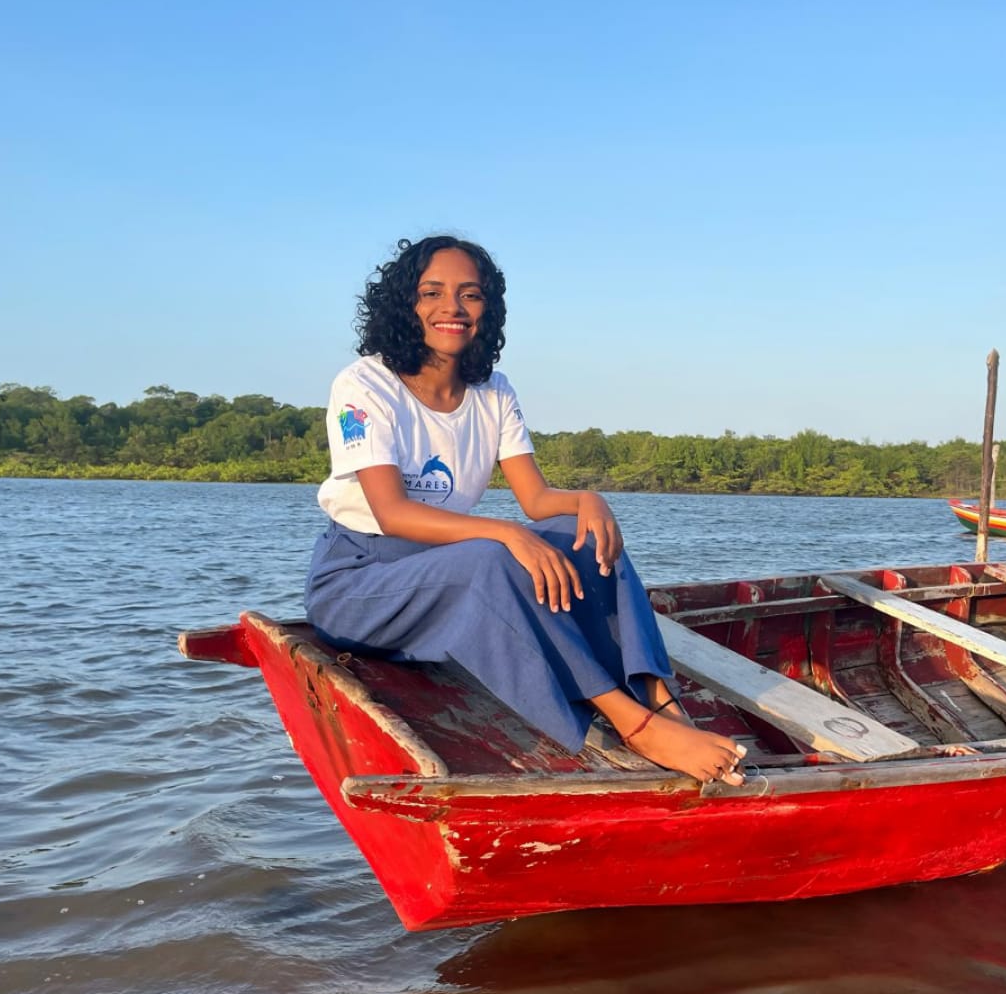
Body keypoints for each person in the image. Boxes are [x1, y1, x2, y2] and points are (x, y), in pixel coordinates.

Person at [304, 235, 746, 786]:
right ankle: (630, 722)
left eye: (470, 294)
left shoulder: (493, 391)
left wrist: (590, 501)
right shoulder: (365, 385)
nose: (452, 308)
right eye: (432, 292)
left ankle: (661, 701)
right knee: (492, 557)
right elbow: (391, 514)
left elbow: (537, 500)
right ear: (404, 302)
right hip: (363, 581)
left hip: (448, 562)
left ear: (488, 307)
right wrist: (509, 535)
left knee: (576, 533)